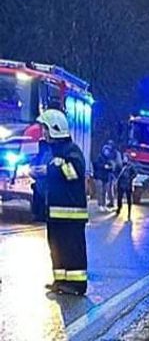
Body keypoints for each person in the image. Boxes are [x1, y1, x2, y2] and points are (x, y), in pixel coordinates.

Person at [35, 110, 89, 296]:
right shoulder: (54, 152)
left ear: (55, 129)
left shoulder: (72, 151)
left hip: (71, 215)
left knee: (72, 250)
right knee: (56, 248)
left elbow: (73, 174)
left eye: (45, 129)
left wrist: (51, 169)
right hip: (56, 214)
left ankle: (76, 285)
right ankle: (60, 281)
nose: (43, 133)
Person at [93, 141, 116, 209]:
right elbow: (96, 165)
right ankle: (100, 204)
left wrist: (110, 167)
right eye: (106, 150)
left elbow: (112, 167)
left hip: (106, 177)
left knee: (104, 191)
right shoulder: (99, 157)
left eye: (108, 150)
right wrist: (103, 166)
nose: (107, 152)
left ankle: (104, 204)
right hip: (99, 176)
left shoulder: (109, 159)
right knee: (100, 191)